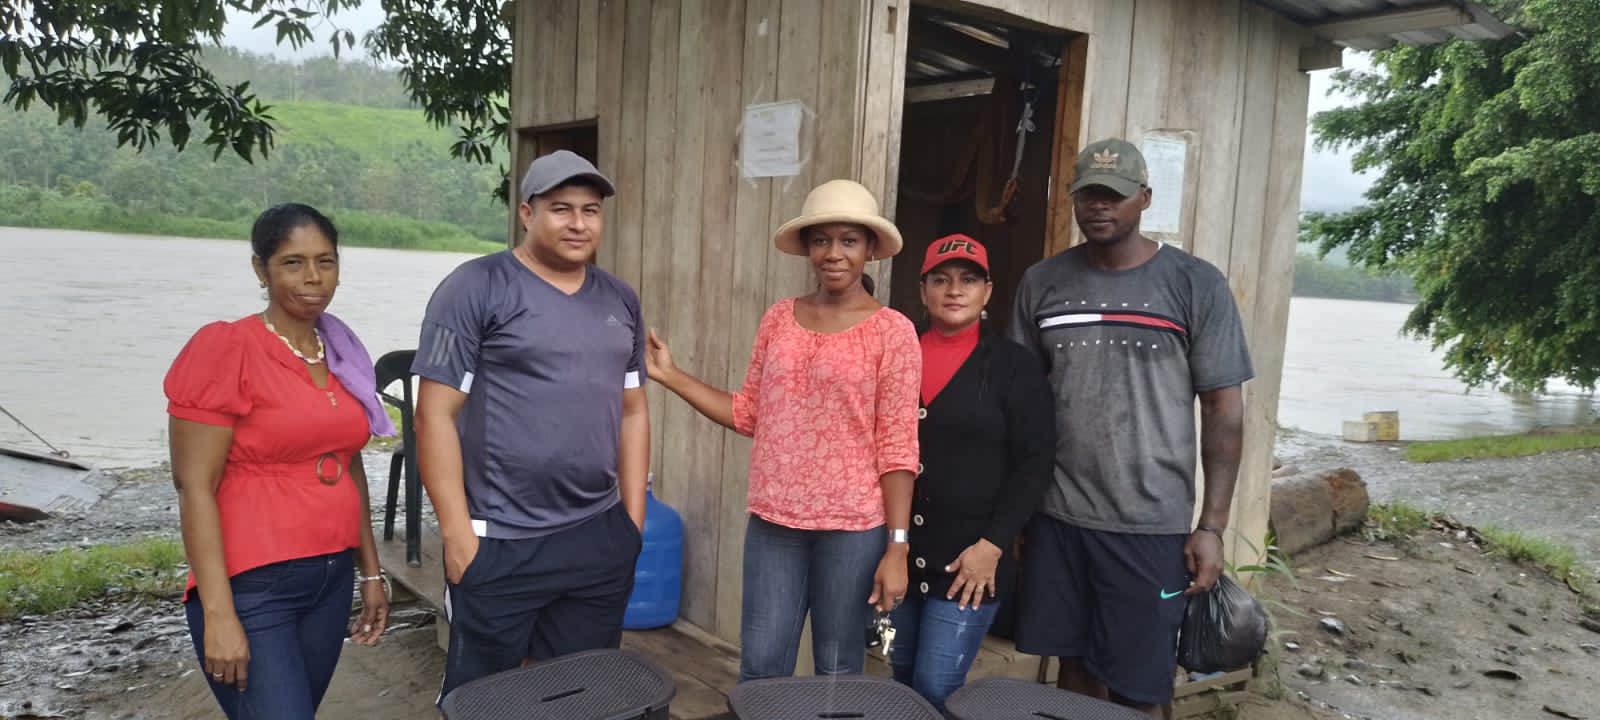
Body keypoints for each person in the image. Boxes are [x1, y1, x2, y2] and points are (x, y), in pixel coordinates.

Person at [1008, 138, 1253, 719]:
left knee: (1141, 688)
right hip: (1058, 519)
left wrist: (1212, 527)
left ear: (1143, 198)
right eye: (1088, 194)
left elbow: (1223, 409)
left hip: (1149, 526)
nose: (1100, 206)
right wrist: (1016, 513)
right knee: (1072, 669)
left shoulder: (1195, 284)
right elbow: (1021, 405)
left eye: (1114, 195)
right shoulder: (1042, 282)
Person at [644, 179, 920, 682]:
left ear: (870, 249)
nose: (833, 253)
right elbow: (749, 412)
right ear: (808, 248)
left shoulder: (893, 332)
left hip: (853, 529)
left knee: (838, 670)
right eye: (821, 240)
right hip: (775, 523)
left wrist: (897, 547)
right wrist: (670, 375)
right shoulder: (779, 319)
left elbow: (898, 447)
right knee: (762, 666)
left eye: (849, 240)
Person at [411, 149, 649, 702]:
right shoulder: (475, 287)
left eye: (590, 210)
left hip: (596, 535)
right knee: (484, 700)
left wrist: (631, 524)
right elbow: (433, 415)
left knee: (580, 697)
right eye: (561, 209)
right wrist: (457, 533)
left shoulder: (620, 300)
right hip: (500, 537)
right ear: (526, 213)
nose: (578, 223)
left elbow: (634, 410)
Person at [165, 203, 394, 720]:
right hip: (254, 585)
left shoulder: (340, 349)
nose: (313, 278)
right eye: (293, 262)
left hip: (331, 578)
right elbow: (194, 485)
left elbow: (347, 463)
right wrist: (219, 614)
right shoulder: (227, 347)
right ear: (260, 268)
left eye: (325, 261)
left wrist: (370, 574)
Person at [888, 234, 1056, 711]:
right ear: (923, 290)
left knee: (937, 687)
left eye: (968, 279)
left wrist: (993, 546)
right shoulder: (897, 355)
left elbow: (1035, 463)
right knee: (899, 682)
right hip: (899, 554)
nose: (954, 290)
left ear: (987, 292)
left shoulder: (1013, 366)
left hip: (970, 562)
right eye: (940, 279)